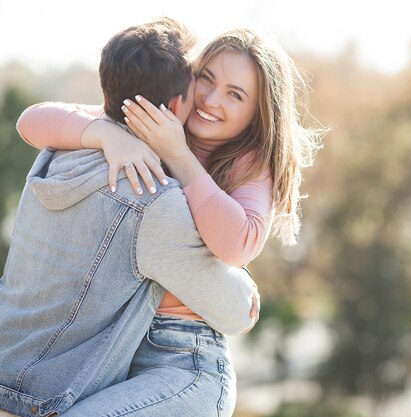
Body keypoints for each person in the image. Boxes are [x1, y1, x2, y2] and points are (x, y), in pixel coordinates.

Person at [15, 27, 324, 416]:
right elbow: (32, 121)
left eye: (235, 94)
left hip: (184, 355)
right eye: (206, 78)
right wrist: (104, 135)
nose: (210, 99)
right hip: (114, 345)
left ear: (258, 112)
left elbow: (238, 242)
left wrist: (179, 156)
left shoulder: (249, 164)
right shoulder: (158, 119)